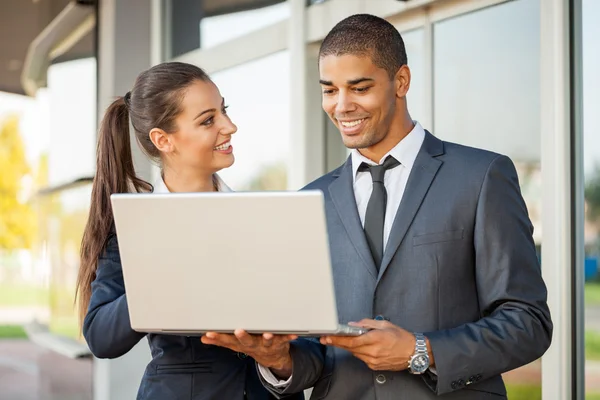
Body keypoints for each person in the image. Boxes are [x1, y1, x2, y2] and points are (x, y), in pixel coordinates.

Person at [201, 14, 553, 400]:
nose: (342, 106)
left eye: (359, 88)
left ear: (400, 81)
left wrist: (421, 350)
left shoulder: (481, 176)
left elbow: (527, 323)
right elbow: (316, 351)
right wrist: (278, 358)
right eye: (329, 90)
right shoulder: (309, 201)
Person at [75, 61, 304, 400]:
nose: (230, 126)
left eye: (224, 110)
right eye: (208, 120)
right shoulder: (137, 226)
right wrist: (161, 277)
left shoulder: (262, 217)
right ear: (163, 140)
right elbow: (101, 337)